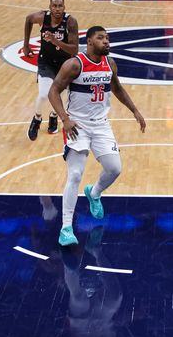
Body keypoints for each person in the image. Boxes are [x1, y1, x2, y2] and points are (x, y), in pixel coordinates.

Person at [47, 26, 146, 246]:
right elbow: (53, 91)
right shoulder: (74, 64)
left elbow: (117, 88)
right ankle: (66, 228)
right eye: (101, 38)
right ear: (89, 42)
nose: (107, 42)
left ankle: (95, 192)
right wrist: (64, 119)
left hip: (101, 125)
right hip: (77, 125)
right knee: (74, 174)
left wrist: (135, 110)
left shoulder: (110, 64)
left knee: (115, 169)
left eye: (108, 38)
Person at [24, 0, 80, 140]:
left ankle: (54, 116)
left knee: (62, 96)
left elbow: (74, 50)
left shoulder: (71, 22)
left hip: (64, 64)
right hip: (46, 61)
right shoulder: (42, 17)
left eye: (60, 6)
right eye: (54, 6)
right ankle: (37, 118)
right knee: (44, 94)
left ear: (64, 7)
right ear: (49, 7)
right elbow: (28, 19)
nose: (57, 9)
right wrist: (26, 44)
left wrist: (55, 41)